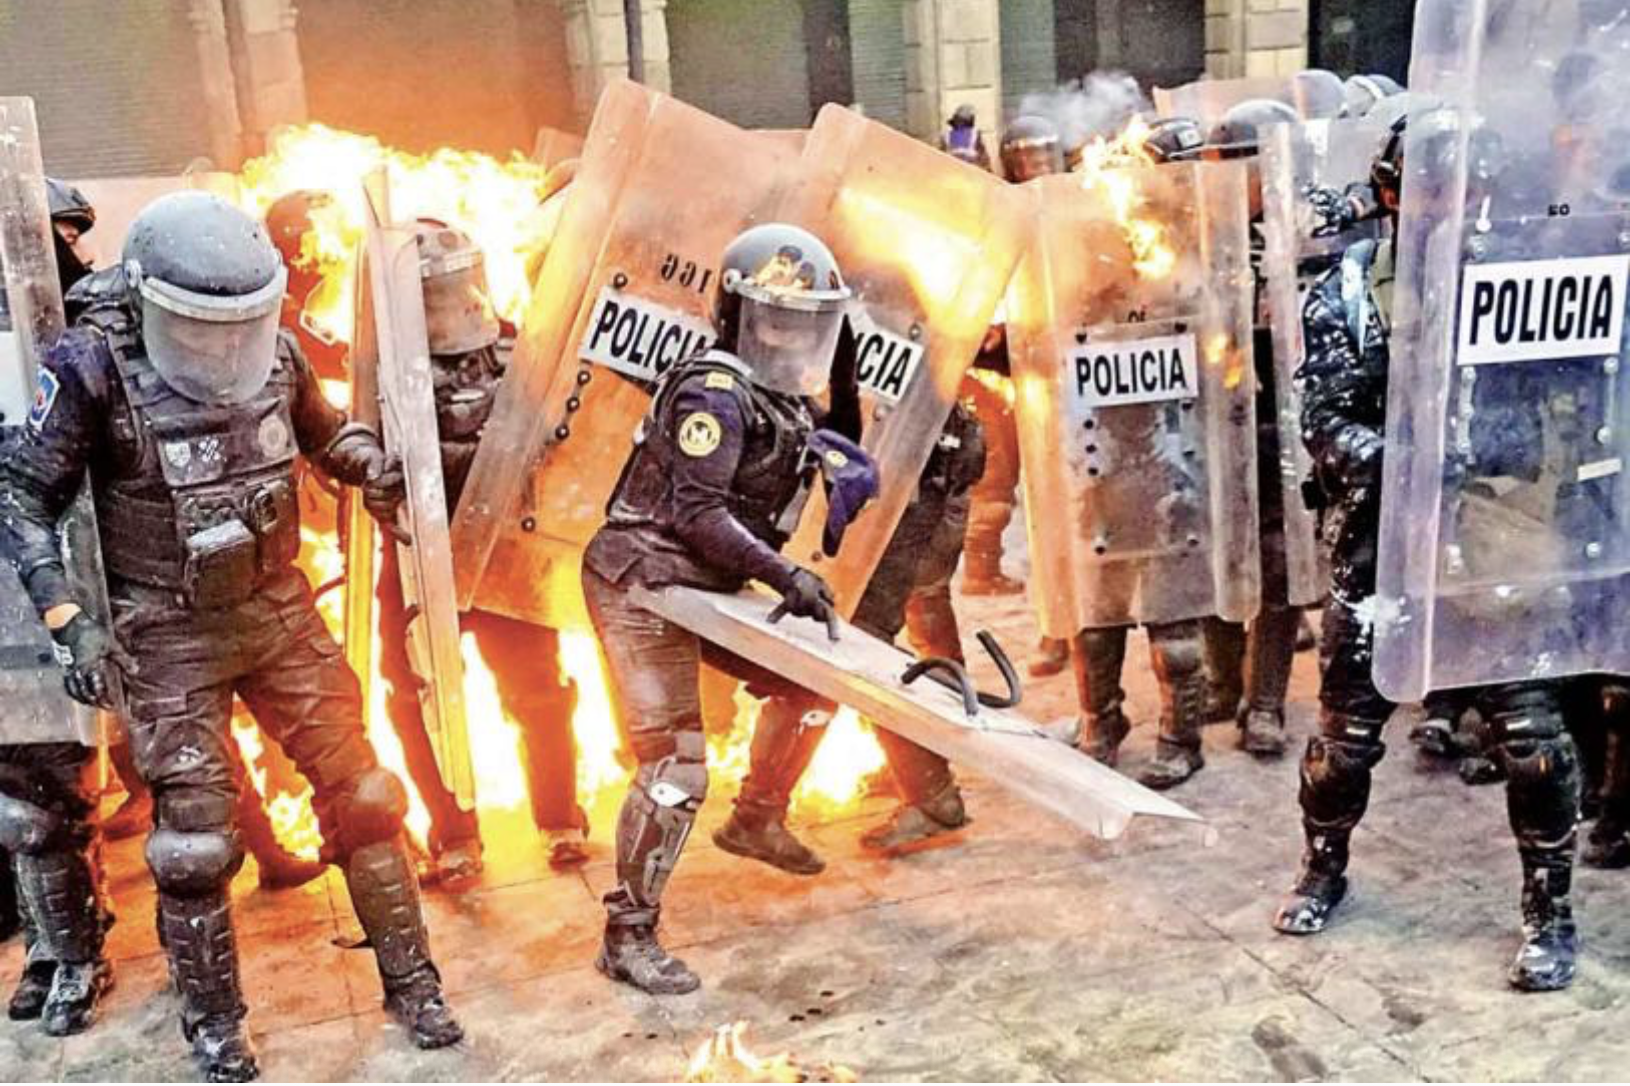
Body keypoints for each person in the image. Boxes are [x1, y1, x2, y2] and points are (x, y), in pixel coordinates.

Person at [0, 191, 463, 1079]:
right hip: (165, 630)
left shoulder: (274, 349)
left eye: (240, 325)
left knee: (365, 797)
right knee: (193, 846)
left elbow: (326, 433)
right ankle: (215, 1026)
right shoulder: (92, 365)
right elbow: (23, 498)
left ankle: (414, 985)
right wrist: (71, 623)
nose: (223, 348)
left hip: (278, 612)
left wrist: (369, 466)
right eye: (202, 326)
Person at [1272, 112, 1582, 992]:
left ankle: (1549, 911)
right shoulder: (1345, 288)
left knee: (1533, 740)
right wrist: (1417, 469)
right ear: (1392, 189)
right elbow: (1326, 425)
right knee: (1343, 741)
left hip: (1497, 541)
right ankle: (1324, 868)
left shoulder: (1523, 277)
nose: (1451, 206)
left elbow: (1563, 397)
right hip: (1382, 547)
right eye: (1433, 187)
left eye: (1469, 188)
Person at [582, 223, 861, 995]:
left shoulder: (780, 398)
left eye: (809, 322)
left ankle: (759, 817)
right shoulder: (715, 392)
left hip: (707, 584)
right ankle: (628, 935)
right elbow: (698, 514)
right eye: (776, 318)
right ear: (738, 314)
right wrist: (783, 575)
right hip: (642, 578)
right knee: (675, 768)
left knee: (816, 686)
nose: (792, 335)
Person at [376, 223, 584, 883]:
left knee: (539, 692)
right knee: (416, 696)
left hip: (502, 546)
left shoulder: (518, 345)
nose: (458, 302)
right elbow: (351, 445)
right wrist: (377, 477)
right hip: (418, 554)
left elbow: (557, 431)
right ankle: (454, 834)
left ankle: (560, 819)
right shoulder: (382, 363)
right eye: (437, 292)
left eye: (463, 285)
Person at [714, 399, 985, 871]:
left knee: (846, 643)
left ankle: (760, 812)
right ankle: (926, 790)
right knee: (853, 641)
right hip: (900, 469)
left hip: (909, 477)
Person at [0, 176, 113, 1037]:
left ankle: (75, 949)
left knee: (64, 780)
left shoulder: (78, 336)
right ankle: (54, 945)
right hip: (15, 584)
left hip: (77, 575)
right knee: (24, 800)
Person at [1197, 98, 1302, 758]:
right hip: (1212, 418)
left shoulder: (1309, 234)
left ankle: (1265, 700)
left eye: (1243, 169)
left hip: (1278, 422)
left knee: (1277, 564)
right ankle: (1221, 677)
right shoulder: (1195, 235)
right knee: (1211, 550)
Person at [940, 104, 992, 170]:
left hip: (971, 168)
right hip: (953, 168)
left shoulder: (975, 133)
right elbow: (941, 154)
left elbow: (983, 154)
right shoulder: (946, 135)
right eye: (958, 120)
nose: (959, 122)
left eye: (961, 120)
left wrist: (986, 168)